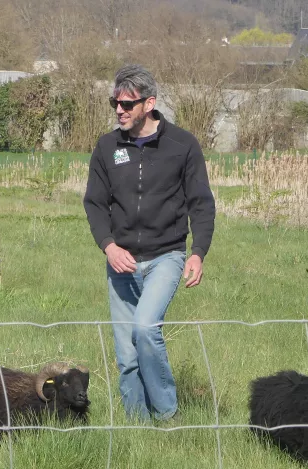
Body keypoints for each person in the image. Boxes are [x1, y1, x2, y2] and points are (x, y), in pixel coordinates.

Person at [83, 65, 216, 421]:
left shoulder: (182, 145)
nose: (119, 110)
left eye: (128, 104)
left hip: (165, 256)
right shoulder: (107, 147)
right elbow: (95, 203)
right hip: (120, 262)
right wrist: (109, 246)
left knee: (144, 329)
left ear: (149, 103)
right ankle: (137, 427)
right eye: (115, 103)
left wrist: (198, 252)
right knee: (126, 355)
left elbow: (201, 203)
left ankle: (166, 413)